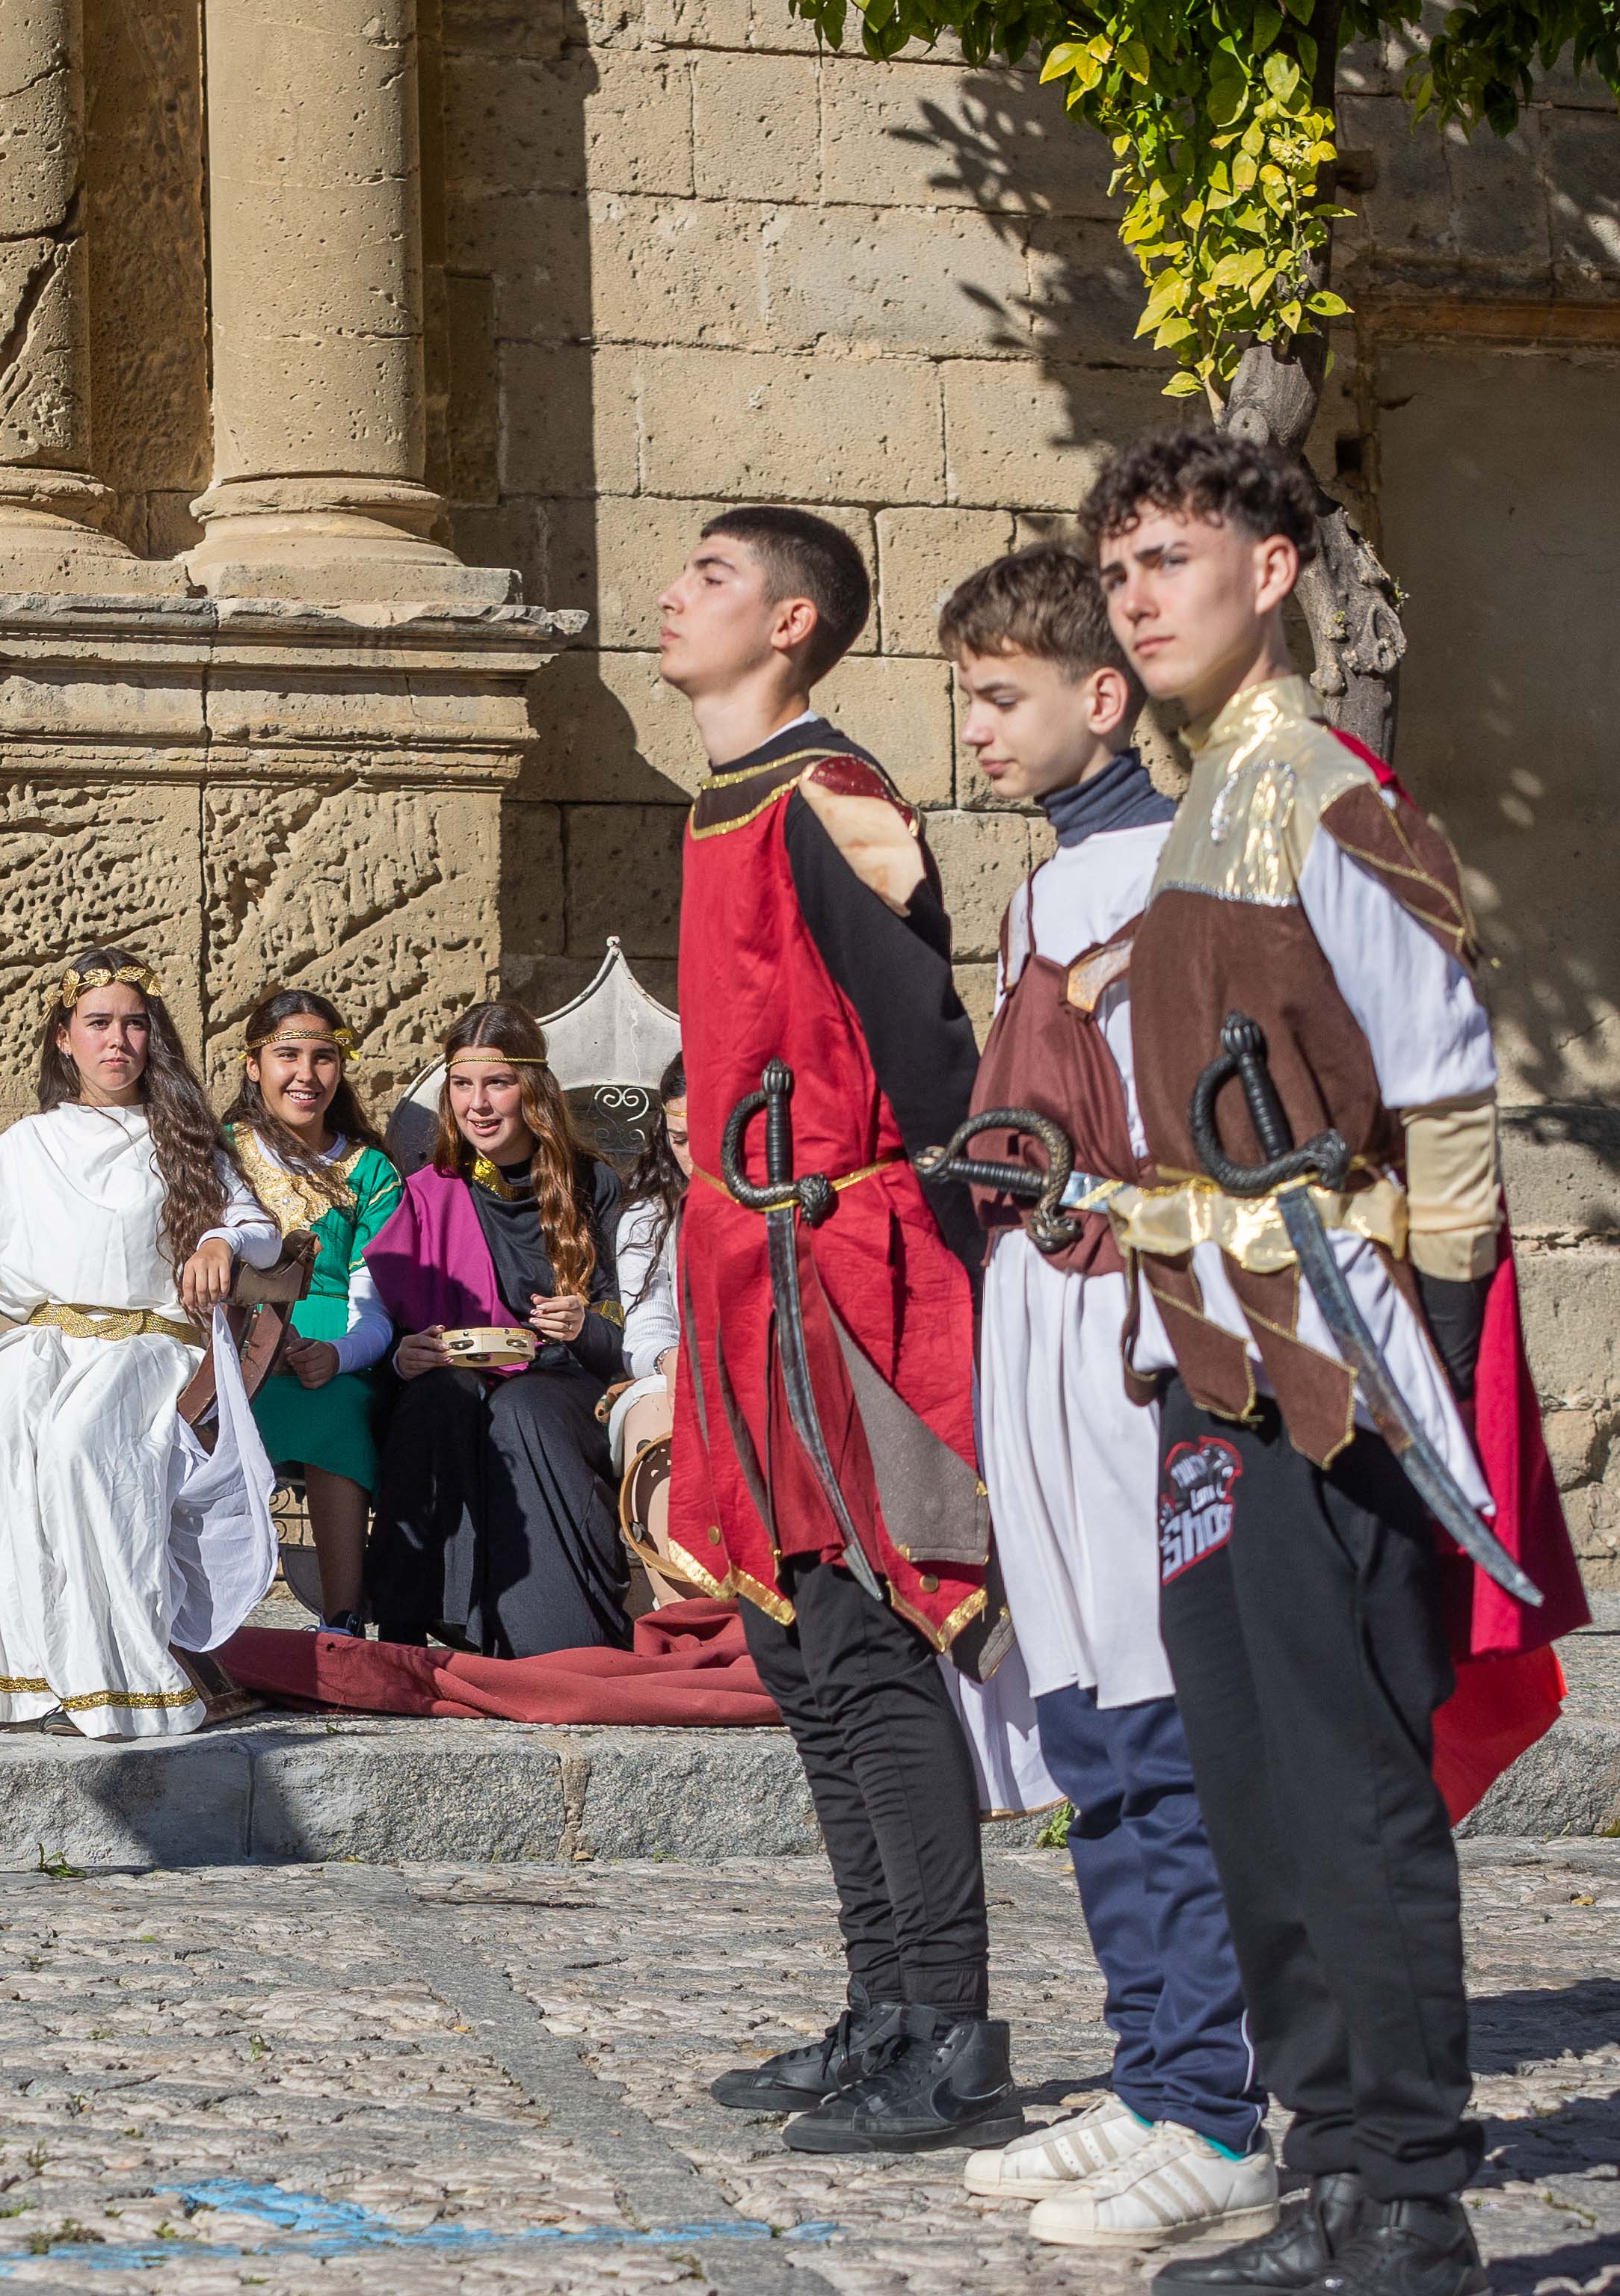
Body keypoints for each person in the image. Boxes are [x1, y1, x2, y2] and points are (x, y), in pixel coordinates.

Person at [1092, 429, 1580, 2296]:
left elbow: (1442, 1101)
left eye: (1169, 557)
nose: (1135, 595)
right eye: (1117, 565)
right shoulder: (1202, 796)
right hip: (1211, 1350)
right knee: (1249, 1771)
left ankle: (1399, 2193)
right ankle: (1317, 2167)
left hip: (1343, 1355)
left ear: (1273, 570)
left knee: (1346, 1771)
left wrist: (1435, 1382)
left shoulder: (1319, 789)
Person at [931, 540, 1278, 2252]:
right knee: (1077, 1706)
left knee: (1148, 1705)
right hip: (1035, 1309)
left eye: (997, 697)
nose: (970, 730)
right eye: (963, 697)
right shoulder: (1044, 883)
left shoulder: (1156, 868)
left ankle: (1212, 2110)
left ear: (1097, 694)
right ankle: (1152, 2072)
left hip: (1119, 1315)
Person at [662, 504, 1017, 2155]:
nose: (676, 599)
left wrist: (956, 1288)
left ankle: (950, 2031)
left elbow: (928, 1052)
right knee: (802, 1655)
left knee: (873, 1651)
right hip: (747, 1270)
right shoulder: (723, 806)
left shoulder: (831, 796)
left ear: (794, 623)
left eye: (713, 578)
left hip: (845, 1269)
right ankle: (881, 2003)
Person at [0, 948, 277, 1738]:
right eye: (98, 1024)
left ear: (152, 1038)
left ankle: (111, 1677)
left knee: (79, 1444)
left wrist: (224, 1240)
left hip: (149, 1349)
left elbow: (260, 1231)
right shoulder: (24, 1148)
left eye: (133, 1024)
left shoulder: (184, 1140)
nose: (116, 1040)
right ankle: (2, 1673)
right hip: (47, 1349)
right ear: (64, 1038)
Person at [360, 1002, 632, 1657]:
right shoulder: (429, 1191)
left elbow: (636, 1337)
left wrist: (581, 1328)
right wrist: (407, 1356)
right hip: (462, 1382)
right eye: (461, 1085)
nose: (477, 1105)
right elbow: (385, 1318)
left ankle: (555, 1639)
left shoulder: (593, 1184)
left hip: (570, 1389)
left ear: (532, 1088)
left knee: (521, 1407)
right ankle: (406, 1630)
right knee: (435, 1398)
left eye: (496, 1084)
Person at [225, 990, 401, 1634]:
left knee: (340, 1410)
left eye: (324, 1057)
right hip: (231, 1343)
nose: (307, 1074)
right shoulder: (218, 1155)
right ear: (253, 1065)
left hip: (339, 1352)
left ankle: (343, 1618)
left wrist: (339, 1355)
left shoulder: (371, 1171)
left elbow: (376, 1303)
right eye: (288, 1056)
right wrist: (255, 1340)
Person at [607, 1061, 707, 1597]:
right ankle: (687, 1630)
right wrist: (670, 1360)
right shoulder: (649, 1217)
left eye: (709, 1136)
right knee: (656, 1423)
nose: (694, 1156)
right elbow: (645, 1324)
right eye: (680, 1139)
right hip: (675, 1376)